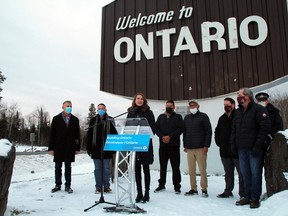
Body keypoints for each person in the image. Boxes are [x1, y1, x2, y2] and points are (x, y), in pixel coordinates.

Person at [230, 88, 271, 208]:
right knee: (245, 174)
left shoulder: (259, 109)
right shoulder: (237, 112)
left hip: (254, 149)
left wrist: (258, 146)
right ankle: (246, 196)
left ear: (247, 96)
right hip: (241, 148)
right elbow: (234, 130)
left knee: (255, 173)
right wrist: (233, 144)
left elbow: (264, 128)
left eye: (240, 94)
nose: (238, 96)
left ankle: (255, 198)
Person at [127, 93, 156, 203]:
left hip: (145, 143)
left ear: (144, 101)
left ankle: (147, 192)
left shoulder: (148, 112)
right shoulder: (130, 112)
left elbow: (153, 126)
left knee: (146, 169)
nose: (139, 100)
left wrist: (147, 132)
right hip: (134, 143)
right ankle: (139, 193)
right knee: (137, 170)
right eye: (137, 98)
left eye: (141, 99)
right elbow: (127, 126)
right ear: (135, 100)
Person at [214, 97, 244, 198]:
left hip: (236, 151)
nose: (226, 107)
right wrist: (219, 142)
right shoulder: (222, 118)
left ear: (233, 105)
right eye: (224, 105)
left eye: (227, 105)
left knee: (241, 173)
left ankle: (243, 193)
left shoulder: (239, 115)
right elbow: (217, 131)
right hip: (224, 151)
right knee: (228, 173)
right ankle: (228, 191)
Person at [49, 100, 80, 194]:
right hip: (58, 147)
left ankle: (68, 186)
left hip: (70, 147)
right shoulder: (56, 119)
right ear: (62, 107)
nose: (69, 107)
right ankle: (57, 185)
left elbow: (77, 135)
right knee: (58, 167)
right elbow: (52, 134)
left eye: (70, 106)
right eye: (67, 106)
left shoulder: (75, 120)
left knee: (68, 167)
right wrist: (51, 148)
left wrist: (77, 147)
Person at [183, 100, 212, 198]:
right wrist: (185, 145)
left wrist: (206, 145)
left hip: (201, 148)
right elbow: (185, 132)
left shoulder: (204, 116)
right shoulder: (186, 118)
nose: (192, 107)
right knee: (191, 170)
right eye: (190, 106)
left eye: (194, 105)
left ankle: (204, 189)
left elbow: (208, 131)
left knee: (202, 170)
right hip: (190, 148)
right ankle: (193, 188)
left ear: (198, 106)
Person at [86, 103, 117, 193]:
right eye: (99, 108)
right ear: (97, 110)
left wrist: (113, 148)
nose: (101, 110)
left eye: (103, 108)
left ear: (106, 109)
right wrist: (89, 148)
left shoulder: (110, 120)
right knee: (98, 169)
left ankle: (106, 186)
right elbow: (90, 135)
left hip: (107, 148)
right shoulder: (93, 120)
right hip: (96, 149)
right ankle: (98, 187)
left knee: (106, 169)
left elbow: (114, 134)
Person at [154, 100, 183, 194]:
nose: (169, 107)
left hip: (174, 146)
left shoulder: (178, 117)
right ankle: (161, 185)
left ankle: (177, 186)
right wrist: (162, 137)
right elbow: (156, 129)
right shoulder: (160, 117)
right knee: (163, 167)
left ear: (174, 107)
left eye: (170, 106)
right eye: (167, 106)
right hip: (163, 146)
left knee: (175, 167)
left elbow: (180, 129)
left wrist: (170, 137)